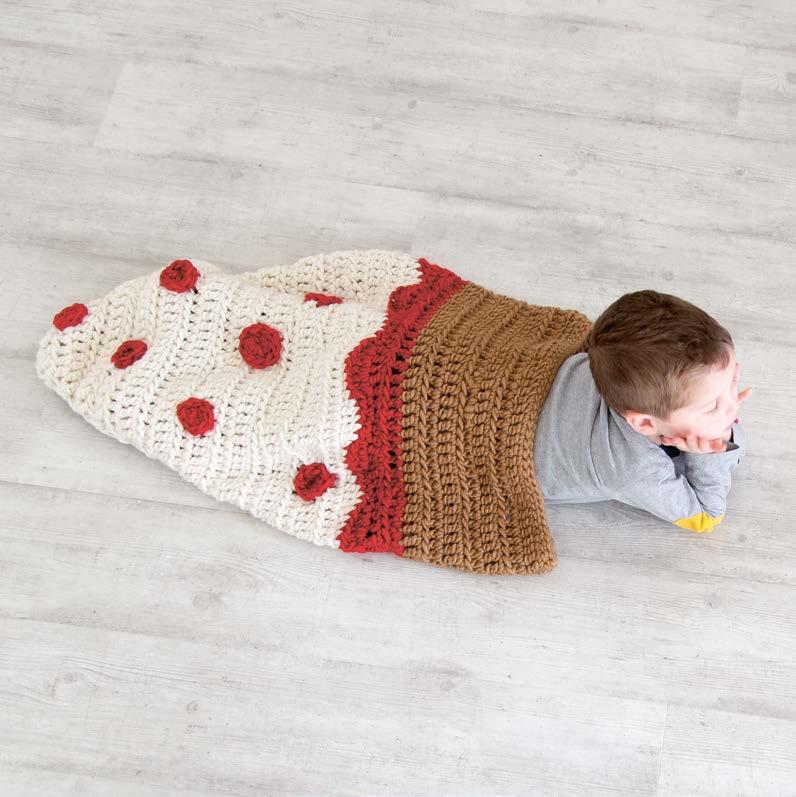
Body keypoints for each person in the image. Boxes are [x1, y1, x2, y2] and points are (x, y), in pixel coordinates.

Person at [533, 290, 754, 533]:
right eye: (712, 405)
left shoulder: (621, 369)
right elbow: (706, 516)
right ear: (645, 424)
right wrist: (708, 455)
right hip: (527, 447)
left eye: (732, 382)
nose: (733, 406)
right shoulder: (635, 470)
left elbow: (737, 446)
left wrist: (720, 429)